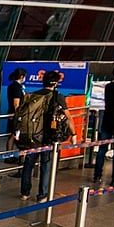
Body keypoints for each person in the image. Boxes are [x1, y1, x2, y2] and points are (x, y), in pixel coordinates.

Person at [18, 70, 73, 201]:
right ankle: (42, 194)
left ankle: (25, 193)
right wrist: (74, 133)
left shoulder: (33, 95)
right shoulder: (56, 96)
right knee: (46, 165)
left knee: (29, 163)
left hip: (32, 134)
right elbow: (68, 117)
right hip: (48, 135)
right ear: (56, 83)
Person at [4, 67, 27, 154]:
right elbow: (16, 103)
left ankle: (10, 154)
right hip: (15, 114)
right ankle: (9, 155)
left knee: (13, 134)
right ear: (21, 77)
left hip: (12, 113)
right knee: (14, 134)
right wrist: (19, 115)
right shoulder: (16, 87)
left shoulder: (13, 86)